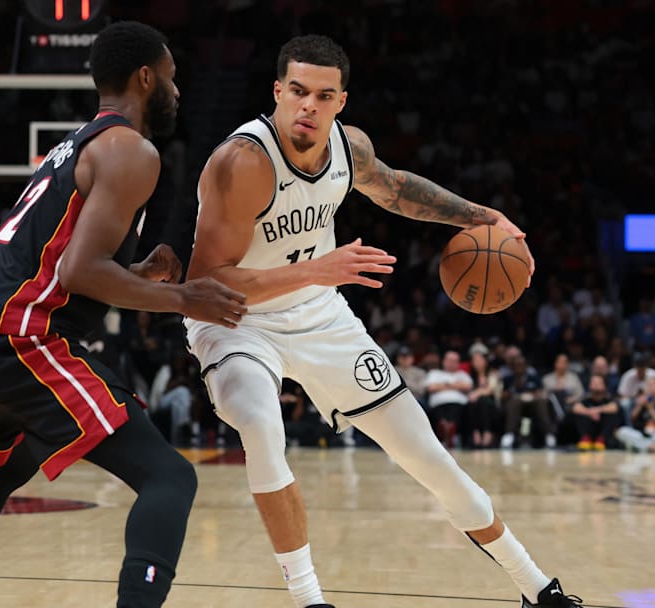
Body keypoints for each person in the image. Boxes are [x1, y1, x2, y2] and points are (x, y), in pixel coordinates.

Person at [185, 35, 581, 608]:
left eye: (324, 96)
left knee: (428, 456)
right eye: (297, 91)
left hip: (319, 314)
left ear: (341, 102)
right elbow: (206, 287)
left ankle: (536, 588)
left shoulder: (351, 148)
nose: (308, 107)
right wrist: (320, 270)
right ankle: (310, 599)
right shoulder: (241, 163)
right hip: (237, 321)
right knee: (262, 427)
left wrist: (479, 216)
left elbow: (394, 189)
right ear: (277, 91)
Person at [0, 22, 247, 608]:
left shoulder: (77, 142)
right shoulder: (132, 150)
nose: (179, 91)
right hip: (19, 337)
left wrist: (139, 276)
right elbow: (79, 273)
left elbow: (62, 262)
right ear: (146, 77)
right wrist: (184, 297)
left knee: (10, 466)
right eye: (174, 78)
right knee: (169, 477)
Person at [615, 377, 655, 452]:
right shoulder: (642, 402)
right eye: (649, 385)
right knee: (622, 431)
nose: (651, 387)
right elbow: (631, 420)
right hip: (641, 435)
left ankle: (641, 447)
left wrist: (651, 408)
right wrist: (639, 406)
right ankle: (650, 447)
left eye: (654, 384)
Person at [570, 375, 619, 450]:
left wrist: (597, 410)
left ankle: (601, 439)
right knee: (578, 414)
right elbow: (576, 408)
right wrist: (589, 413)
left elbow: (614, 408)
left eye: (598, 383)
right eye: (593, 383)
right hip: (589, 429)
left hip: (603, 431)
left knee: (611, 414)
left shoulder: (608, 399)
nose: (596, 385)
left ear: (604, 386)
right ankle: (585, 438)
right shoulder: (586, 399)